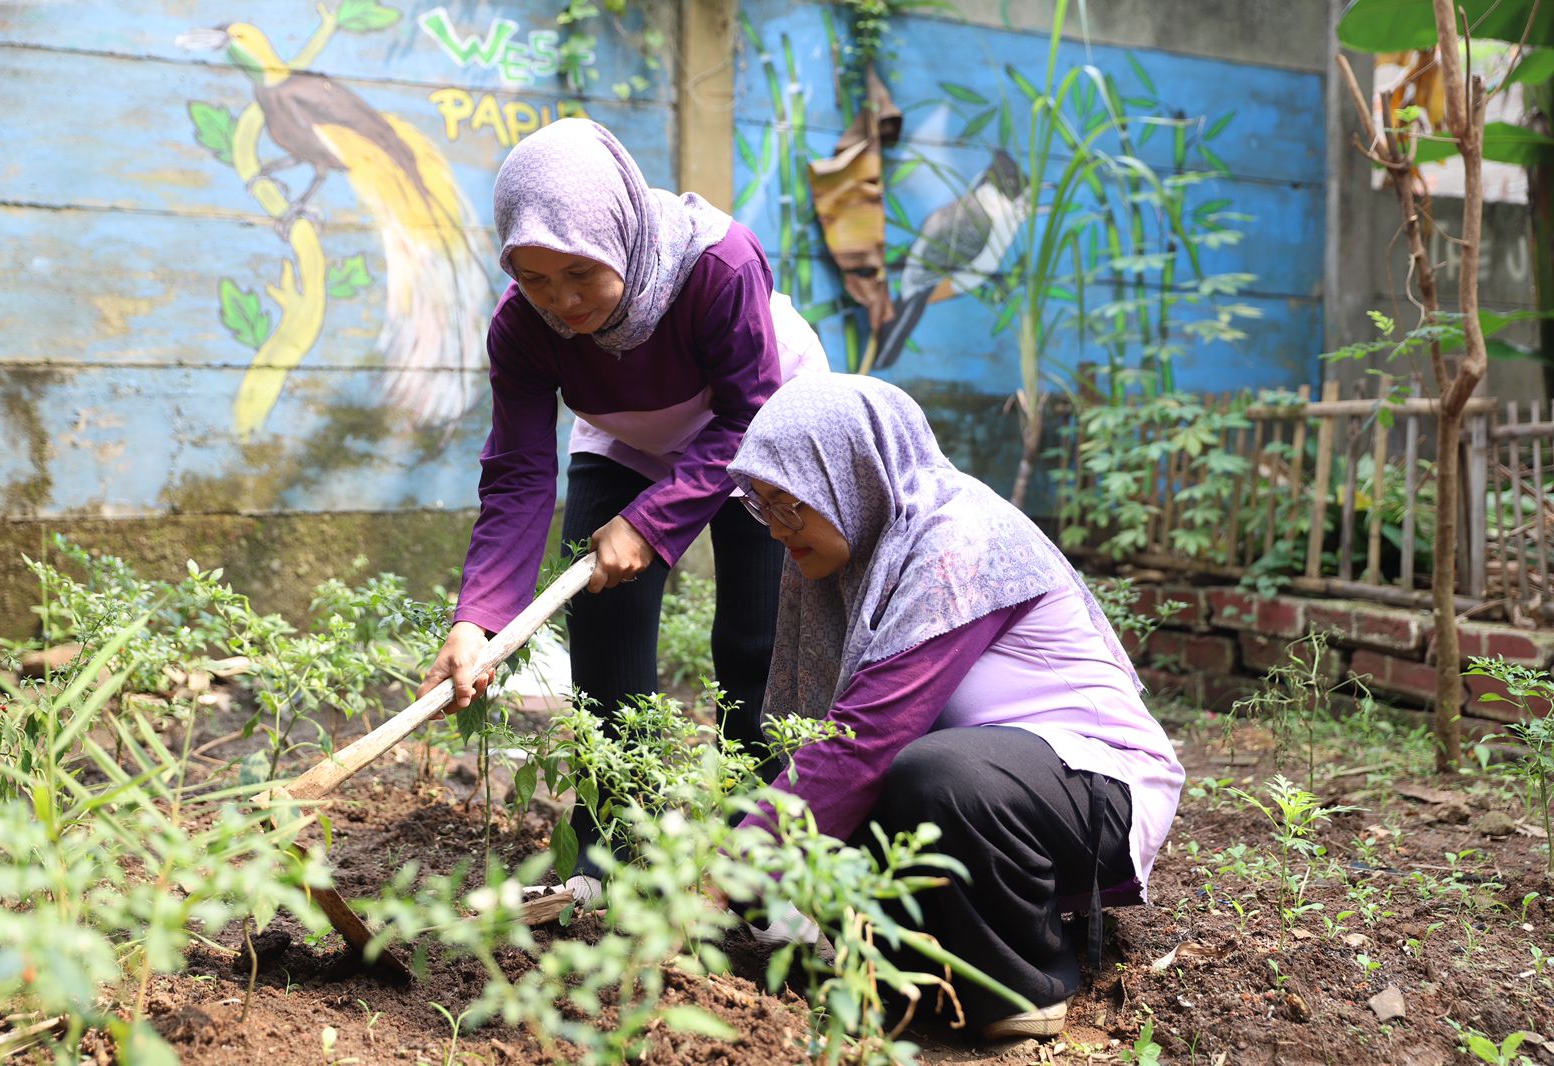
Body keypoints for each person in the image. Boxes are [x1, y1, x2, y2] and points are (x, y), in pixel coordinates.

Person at [421, 118, 826, 898]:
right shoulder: (523, 329)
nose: (561, 303)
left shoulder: (718, 264)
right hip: (629, 431)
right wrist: (477, 621)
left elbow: (746, 416)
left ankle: (758, 846)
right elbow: (516, 474)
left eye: (580, 274)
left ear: (623, 236)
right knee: (604, 631)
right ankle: (608, 847)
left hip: (765, 417)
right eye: (534, 280)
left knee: (755, 637)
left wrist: (654, 520)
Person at [726, 374, 1185, 1042]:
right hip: (999, 788)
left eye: (790, 502)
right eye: (762, 506)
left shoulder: (961, 543)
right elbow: (823, 747)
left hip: (1095, 786)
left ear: (852, 473)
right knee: (805, 795)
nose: (775, 529)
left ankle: (1021, 983)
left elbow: (866, 738)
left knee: (928, 775)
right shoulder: (867, 551)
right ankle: (912, 974)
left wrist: (735, 870)